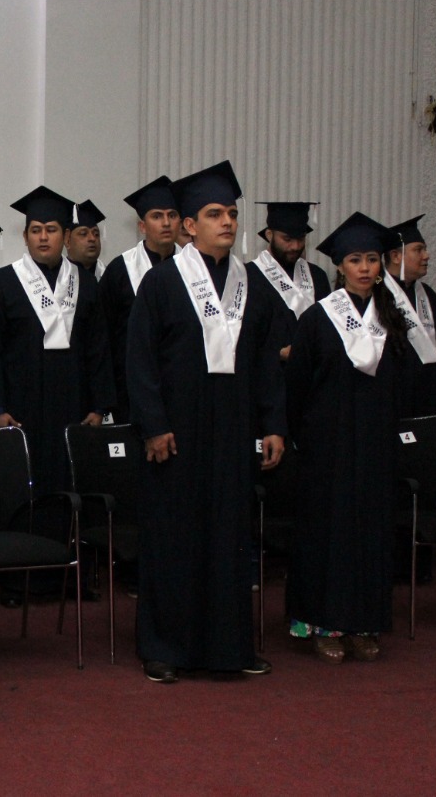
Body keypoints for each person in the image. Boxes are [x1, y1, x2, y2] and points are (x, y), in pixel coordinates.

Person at [125, 160, 284, 682]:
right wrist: (153, 424)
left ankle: (230, 646)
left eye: (233, 214)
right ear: (189, 225)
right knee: (175, 540)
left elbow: (265, 365)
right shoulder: (162, 284)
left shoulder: (253, 286)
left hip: (234, 432)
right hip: (177, 434)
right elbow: (141, 360)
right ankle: (165, 647)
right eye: (215, 214)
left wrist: (273, 424)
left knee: (230, 539)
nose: (228, 223)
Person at [285, 212, 407, 664]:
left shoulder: (392, 319)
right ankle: (322, 623)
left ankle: (364, 622)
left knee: (370, 532)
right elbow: (297, 386)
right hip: (327, 445)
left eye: (372, 259)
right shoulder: (318, 319)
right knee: (328, 532)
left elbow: (402, 385)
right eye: (355, 259)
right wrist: (306, 436)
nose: (365, 268)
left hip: (375, 443)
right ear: (339, 266)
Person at [0, 185, 114, 498]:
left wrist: (98, 406)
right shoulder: (3, 282)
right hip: (20, 406)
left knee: (71, 482)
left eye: (51, 230)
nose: (43, 237)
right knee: (24, 483)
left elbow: (98, 348)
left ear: (65, 237)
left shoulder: (85, 282)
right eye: (36, 230)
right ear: (24, 237)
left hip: (74, 403)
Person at [100, 176, 180, 423]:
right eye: (157, 216)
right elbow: (104, 337)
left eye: (172, 215)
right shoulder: (120, 270)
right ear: (142, 226)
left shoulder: (196, 267)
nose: (166, 223)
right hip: (131, 391)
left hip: (183, 388)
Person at [248, 201, 330, 360]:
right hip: (269, 378)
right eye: (287, 239)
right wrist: (277, 353)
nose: (295, 246)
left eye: (300, 239)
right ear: (269, 235)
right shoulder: (249, 276)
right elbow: (246, 339)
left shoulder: (317, 276)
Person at [383, 215, 436, 418]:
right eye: (418, 250)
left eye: (424, 249)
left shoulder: (429, 296)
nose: (426, 255)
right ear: (395, 256)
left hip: (426, 394)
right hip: (391, 396)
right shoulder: (377, 295)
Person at [66, 200, 105, 279]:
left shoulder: (109, 277)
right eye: (83, 234)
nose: (92, 238)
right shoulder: (58, 278)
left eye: (96, 234)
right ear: (67, 240)